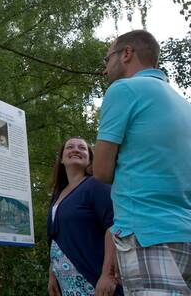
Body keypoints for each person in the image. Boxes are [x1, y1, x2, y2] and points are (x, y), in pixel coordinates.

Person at [94, 29, 191, 294]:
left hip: (145, 232)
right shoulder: (183, 104)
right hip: (184, 233)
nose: (105, 69)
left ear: (126, 54)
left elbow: (100, 171)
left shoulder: (124, 90)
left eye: (107, 59)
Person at [47, 137, 123, 296]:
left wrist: (107, 274)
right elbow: (55, 239)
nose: (75, 149)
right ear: (61, 158)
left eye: (82, 148)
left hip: (92, 278)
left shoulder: (96, 184)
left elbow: (113, 225)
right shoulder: (57, 195)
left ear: (90, 158)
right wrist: (52, 274)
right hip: (66, 283)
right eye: (70, 147)